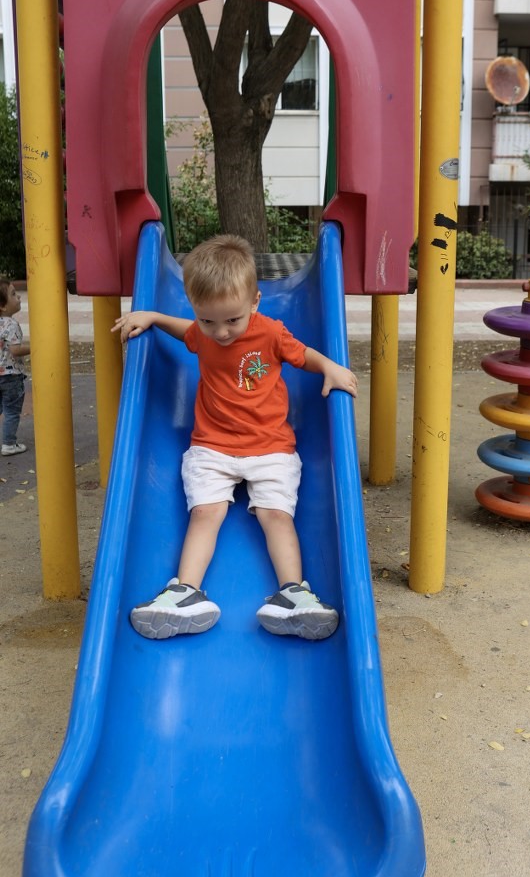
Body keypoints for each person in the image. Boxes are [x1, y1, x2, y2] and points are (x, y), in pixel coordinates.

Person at [112, 234, 358, 643]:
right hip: (212, 446)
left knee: (276, 516)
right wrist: (153, 316)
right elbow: (186, 330)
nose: (221, 332)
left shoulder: (270, 333)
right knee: (205, 514)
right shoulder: (202, 332)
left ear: (255, 303)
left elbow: (303, 354)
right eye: (208, 320)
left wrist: (330, 367)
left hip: (271, 447)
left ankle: (294, 595)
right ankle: (184, 593)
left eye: (232, 320)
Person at [0, 279, 31, 456]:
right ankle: (9, 444)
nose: (18, 296)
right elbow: (15, 350)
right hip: (11, 375)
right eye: (13, 294)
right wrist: (36, 348)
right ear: (3, 306)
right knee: (12, 410)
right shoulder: (11, 324)